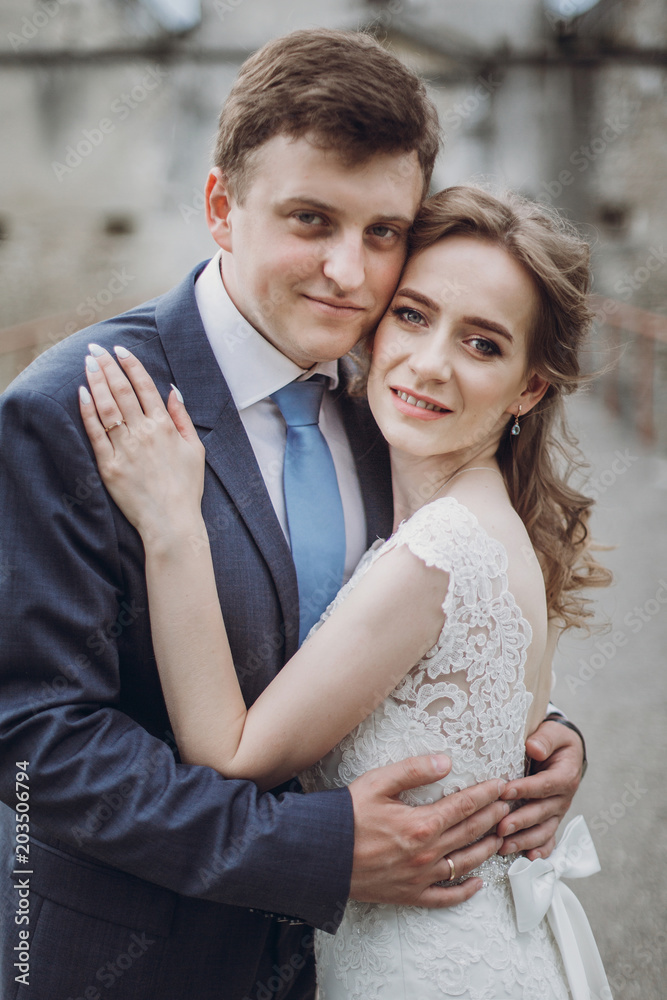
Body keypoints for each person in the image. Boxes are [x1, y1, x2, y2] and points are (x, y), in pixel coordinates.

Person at [0, 30, 585, 1000]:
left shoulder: (389, 398)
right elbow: (33, 740)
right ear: (221, 207)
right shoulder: (78, 406)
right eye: (311, 219)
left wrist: (529, 742)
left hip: (339, 964)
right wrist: (309, 851)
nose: (350, 275)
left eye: (384, 232)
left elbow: (407, 629)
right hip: (134, 963)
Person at [78, 185, 613, 1000]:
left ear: (529, 388)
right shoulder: (463, 506)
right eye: (411, 315)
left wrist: (172, 526)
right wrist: (543, 735)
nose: (429, 362)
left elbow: (229, 754)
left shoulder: (439, 548)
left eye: (480, 343)